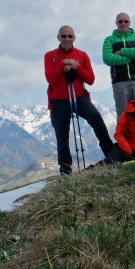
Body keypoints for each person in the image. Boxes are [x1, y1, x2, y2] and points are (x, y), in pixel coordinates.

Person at [44, 25, 114, 175]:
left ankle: (111, 154)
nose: (67, 39)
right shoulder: (50, 56)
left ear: (74, 37)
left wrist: (76, 67)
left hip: (79, 96)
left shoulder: (82, 55)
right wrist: (63, 64)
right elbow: (51, 79)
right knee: (61, 135)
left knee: (96, 118)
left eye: (70, 36)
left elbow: (90, 79)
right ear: (58, 38)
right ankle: (65, 169)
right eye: (64, 36)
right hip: (58, 100)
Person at [102, 12, 135, 119]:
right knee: (123, 115)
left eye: (126, 21)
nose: (123, 23)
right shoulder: (109, 39)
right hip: (119, 82)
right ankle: (123, 136)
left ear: (130, 22)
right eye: (120, 21)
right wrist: (130, 57)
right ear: (116, 23)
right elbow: (107, 58)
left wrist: (122, 51)